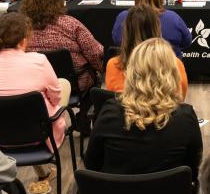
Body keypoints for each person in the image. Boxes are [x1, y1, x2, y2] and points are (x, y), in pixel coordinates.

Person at [86, 38, 202, 179]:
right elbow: (193, 170)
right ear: (172, 73)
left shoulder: (109, 111)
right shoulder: (186, 117)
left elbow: (91, 164)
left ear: (132, 71)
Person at [0, 13, 70, 148]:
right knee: (63, 84)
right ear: (23, 41)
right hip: (38, 136)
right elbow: (56, 98)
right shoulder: (39, 61)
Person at [23, 0, 104, 92]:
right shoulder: (71, 24)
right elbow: (95, 53)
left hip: (34, 86)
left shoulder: (21, 27)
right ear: (58, 0)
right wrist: (102, 70)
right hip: (73, 84)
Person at [106, 4, 188, 98]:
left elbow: (115, 102)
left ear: (126, 32)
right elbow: (179, 100)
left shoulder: (113, 65)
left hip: (127, 112)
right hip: (165, 112)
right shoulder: (175, 65)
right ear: (157, 30)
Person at [112, 0, 191, 58]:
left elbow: (117, 40)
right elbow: (187, 41)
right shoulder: (173, 17)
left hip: (131, 66)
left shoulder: (123, 16)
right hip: (167, 67)